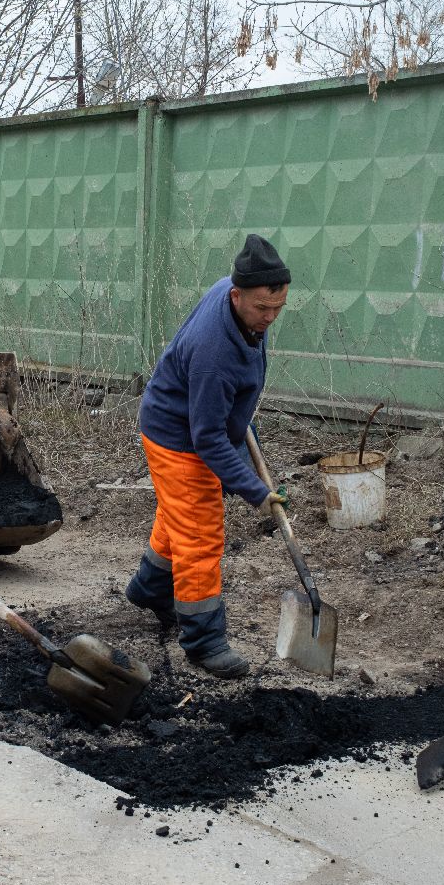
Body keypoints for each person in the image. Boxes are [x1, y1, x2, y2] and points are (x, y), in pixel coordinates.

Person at [123, 234, 292, 678]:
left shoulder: (236, 293)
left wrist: (239, 417)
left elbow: (224, 411)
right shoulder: (214, 351)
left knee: (178, 515)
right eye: (262, 309)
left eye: (278, 307)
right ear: (236, 296)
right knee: (199, 533)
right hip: (177, 435)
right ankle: (203, 642)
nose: (270, 318)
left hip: (191, 419)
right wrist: (257, 491)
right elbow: (209, 439)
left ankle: (152, 588)